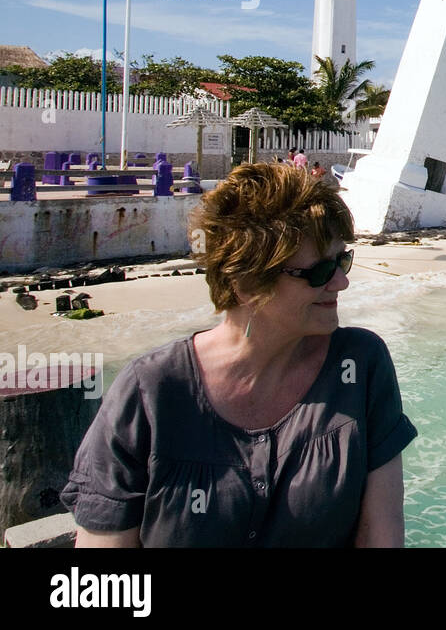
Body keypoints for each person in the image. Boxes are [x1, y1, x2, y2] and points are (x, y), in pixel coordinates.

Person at [60, 162, 415, 547]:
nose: (341, 281)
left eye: (342, 260)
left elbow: (381, 536)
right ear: (246, 280)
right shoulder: (149, 392)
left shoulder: (361, 365)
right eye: (320, 271)